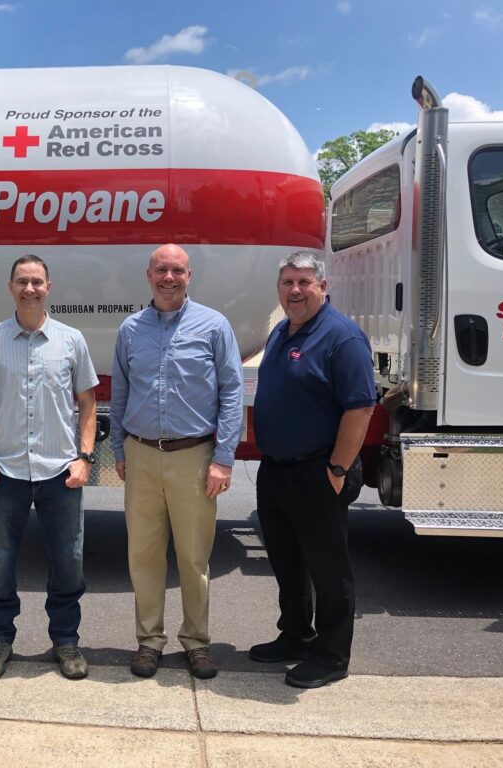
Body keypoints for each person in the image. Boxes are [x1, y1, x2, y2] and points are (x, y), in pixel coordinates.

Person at [110, 243, 244, 680]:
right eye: (161, 270)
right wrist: (119, 450)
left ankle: (197, 643)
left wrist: (223, 459)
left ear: (190, 275)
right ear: (148, 275)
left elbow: (232, 393)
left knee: (193, 557)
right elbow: (121, 393)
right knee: (144, 555)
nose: (169, 278)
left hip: (195, 457)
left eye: (177, 271)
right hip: (143, 454)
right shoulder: (131, 329)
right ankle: (149, 642)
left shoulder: (214, 326)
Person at [0, 254, 98, 681]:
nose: (29, 288)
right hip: (5, 472)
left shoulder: (71, 340)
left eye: (36, 281)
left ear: (49, 287)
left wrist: (85, 458)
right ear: (10, 287)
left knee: (68, 561)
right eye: (21, 281)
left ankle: (65, 640)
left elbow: (87, 403)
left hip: (60, 472)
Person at [250, 249, 375, 689]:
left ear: (322, 286)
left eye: (305, 282)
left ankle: (331, 654)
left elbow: (360, 408)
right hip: (278, 470)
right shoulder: (283, 330)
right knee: (287, 562)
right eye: (287, 282)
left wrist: (338, 468)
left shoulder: (343, 338)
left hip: (319, 470)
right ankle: (296, 635)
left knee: (328, 568)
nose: (295, 290)